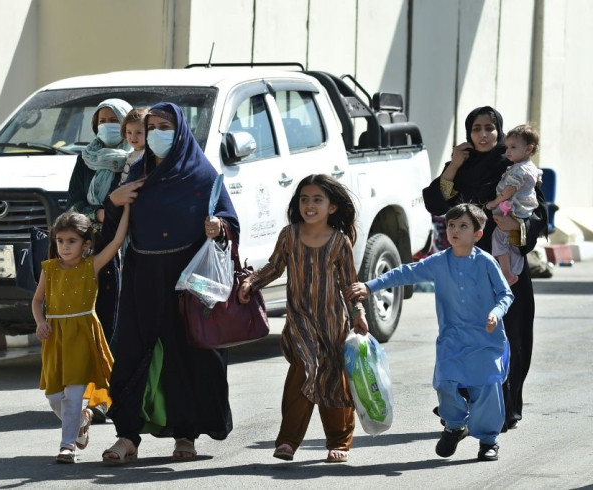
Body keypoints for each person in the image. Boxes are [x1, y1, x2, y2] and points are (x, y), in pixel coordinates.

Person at [100, 102, 239, 464]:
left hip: (186, 281)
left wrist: (219, 227)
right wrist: (112, 202)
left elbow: (229, 221)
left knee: (186, 357)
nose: (157, 133)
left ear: (180, 132)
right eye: (152, 127)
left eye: (165, 126)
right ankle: (127, 436)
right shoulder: (137, 174)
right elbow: (113, 229)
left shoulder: (201, 176)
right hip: (142, 277)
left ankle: (185, 437)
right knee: (131, 354)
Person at [350, 204, 514, 461]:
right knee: (445, 384)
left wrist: (496, 312)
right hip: (452, 340)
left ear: (478, 234)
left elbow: (506, 294)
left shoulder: (486, 263)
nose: (455, 231)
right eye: (451, 225)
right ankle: (454, 425)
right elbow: (405, 272)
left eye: (463, 226)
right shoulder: (439, 262)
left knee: (485, 389)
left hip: (485, 340)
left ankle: (488, 440)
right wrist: (370, 286)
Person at [422, 106, 548, 432]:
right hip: (468, 267)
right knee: (467, 336)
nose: (483, 134)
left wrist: (514, 228)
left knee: (511, 337)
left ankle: (506, 406)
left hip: (508, 265)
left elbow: (538, 215)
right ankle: (465, 402)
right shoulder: (461, 168)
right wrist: (454, 163)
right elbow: (436, 203)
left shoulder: (515, 167)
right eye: (476, 128)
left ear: (499, 131)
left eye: (490, 128)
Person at [237, 174, 369, 464]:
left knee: (334, 378)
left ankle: (339, 442)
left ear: (332, 207)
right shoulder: (290, 235)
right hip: (299, 321)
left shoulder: (339, 241)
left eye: (317, 200)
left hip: (333, 322)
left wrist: (358, 313)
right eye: (304, 199)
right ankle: (287, 441)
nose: (309, 205)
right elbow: (274, 267)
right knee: (305, 370)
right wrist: (252, 282)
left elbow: (349, 282)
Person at [32, 206, 130, 464]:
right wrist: (40, 322)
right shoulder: (49, 269)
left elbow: (118, 241)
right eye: (60, 241)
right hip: (55, 338)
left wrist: (126, 208)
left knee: (74, 395)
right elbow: (36, 301)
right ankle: (83, 420)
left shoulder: (92, 265)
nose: (64, 247)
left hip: (83, 336)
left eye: (71, 241)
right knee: (54, 397)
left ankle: (67, 447)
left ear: (86, 244)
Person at [67, 98, 132, 423]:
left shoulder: (133, 159)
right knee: (96, 325)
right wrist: (98, 213)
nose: (106, 124)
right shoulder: (86, 159)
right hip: (92, 251)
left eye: (113, 119)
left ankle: (113, 396)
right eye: (101, 119)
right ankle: (94, 397)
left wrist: (116, 214)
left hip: (126, 249)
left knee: (119, 324)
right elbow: (73, 202)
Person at [485, 124, 542, 286]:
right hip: (522, 211)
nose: (508, 151)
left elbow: (508, 191)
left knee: (498, 238)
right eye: (507, 147)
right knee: (511, 243)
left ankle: (507, 273)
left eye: (513, 147)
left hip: (512, 211)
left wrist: (494, 203)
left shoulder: (517, 170)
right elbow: (538, 175)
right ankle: (512, 269)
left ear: (528, 149)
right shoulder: (529, 167)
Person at [120, 107, 148, 184]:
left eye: (138, 132)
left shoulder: (146, 156)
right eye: (129, 132)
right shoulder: (133, 153)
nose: (132, 137)